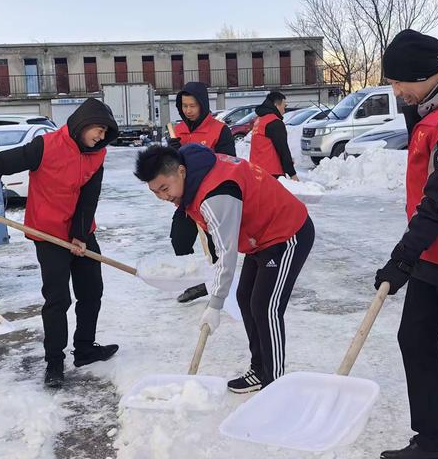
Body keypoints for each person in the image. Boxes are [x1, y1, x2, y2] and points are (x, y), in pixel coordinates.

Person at [134, 144, 315, 392]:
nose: (163, 197)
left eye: (165, 189)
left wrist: (215, 303)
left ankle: (274, 385)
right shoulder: (194, 174)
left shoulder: (215, 196)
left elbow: (226, 254)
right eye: (156, 192)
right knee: (245, 297)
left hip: (286, 233)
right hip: (259, 237)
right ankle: (260, 370)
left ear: (181, 171)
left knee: (265, 307)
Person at [374, 29, 438, 459]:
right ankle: (433, 444)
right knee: (414, 340)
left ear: (422, 74)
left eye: (398, 82)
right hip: (435, 255)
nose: (395, 90)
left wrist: (402, 257)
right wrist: (414, 256)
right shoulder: (433, 108)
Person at [0, 98, 120, 388]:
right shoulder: (44, 146)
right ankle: (55, 363)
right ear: (83, 123)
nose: (100, 136)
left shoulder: (97, 155)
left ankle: (84, 350)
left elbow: (89, 198)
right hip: (47, 232)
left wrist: (80, 236)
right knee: (58, 299)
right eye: (98, 130)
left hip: (81, 231)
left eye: (104, 133)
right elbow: (1, 163)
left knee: (91, 292)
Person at [169, 82, 236, 304]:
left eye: (192, 105)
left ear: (203, 105)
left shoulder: (219, 130)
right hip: (187, 201)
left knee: (217, 246)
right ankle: (194, 283)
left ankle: (222, 286)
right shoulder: (178, 131)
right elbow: (169, 170)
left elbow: (229, 163)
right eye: (184, 105)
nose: (188, 110)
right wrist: (170, 154)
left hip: (212, 199)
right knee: (179, 240)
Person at [250, 91, 298, 180]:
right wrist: (292, 174)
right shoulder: (275, 122)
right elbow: (283, 149)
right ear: (276, 105)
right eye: (284, 106)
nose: (285, 109)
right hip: (272, 173)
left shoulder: (260, 120)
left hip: (256, 171)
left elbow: (265, 145)